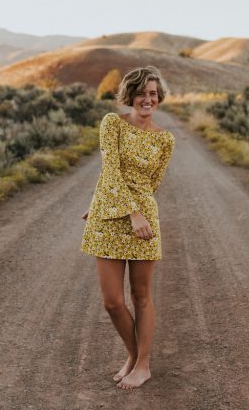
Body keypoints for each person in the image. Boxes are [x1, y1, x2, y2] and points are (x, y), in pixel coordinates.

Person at [80, 66, 176, 390]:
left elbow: (153, 183)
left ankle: (143, 365)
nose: (147, 99)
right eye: (141, 92)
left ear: (158, 97)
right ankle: (134, 356)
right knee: (112, 301)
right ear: (130, 95)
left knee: (141, 296)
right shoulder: (112, 124)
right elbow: (111, 169)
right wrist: (101, 203)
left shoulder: (165, 140)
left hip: (144, 220)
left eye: (153, 93)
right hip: (113, 217)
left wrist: (140, 213)